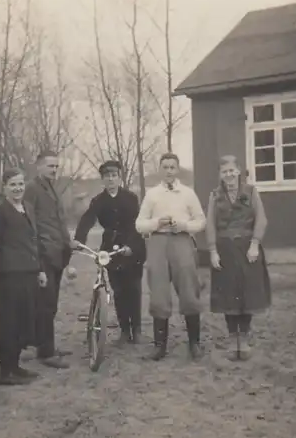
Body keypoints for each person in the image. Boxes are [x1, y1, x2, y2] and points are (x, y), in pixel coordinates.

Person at [135, 153, 206, 361]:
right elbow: (139, 224)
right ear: (160, 169)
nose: (168, 171)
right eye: (165, 167)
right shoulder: (152, 194)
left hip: (182, 241)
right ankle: (159, 346)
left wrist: (184, 225)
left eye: (172, 167)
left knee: (188, 290)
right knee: (158, 292)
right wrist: (157, 222)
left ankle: (194, 343)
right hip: (157, 242)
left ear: (177, 169)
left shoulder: (187, 193)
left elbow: (200, 221)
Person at [73, 160, 147, 346]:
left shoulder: (130, 198)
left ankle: (136, 329)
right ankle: (124, 331)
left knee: (134, 289)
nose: (111, 179)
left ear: (119, 178)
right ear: (103, 180)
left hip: (132, 247)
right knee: (118, 291)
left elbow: (136, 224)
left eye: (114, 176)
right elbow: (87, 219)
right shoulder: (98, 201)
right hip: (110, 249)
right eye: (107, 176)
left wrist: (131, 246)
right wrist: (79, 239)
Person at [0, 168, 47, 385]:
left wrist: (39, 269)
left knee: (23, 322)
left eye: (20, 184)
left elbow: (32, 242)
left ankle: (15, 366)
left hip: (28, 274)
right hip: (8, 276)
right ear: (4, 188)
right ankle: (5, 372)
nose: (17, 188)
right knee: (8, 323)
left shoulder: (27, 208)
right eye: (12, 184)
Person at [206, 155, 271, 360]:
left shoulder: (251, 191)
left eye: (232, 170)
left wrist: (255, 244)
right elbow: (210, 224)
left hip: (247, 248)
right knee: (228, 295)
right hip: (225, 250)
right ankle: (232, 338)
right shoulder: (215, 196)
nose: (229, 175)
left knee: (247, 294)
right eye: (225, 171)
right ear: (220, 174)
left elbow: (261, 219)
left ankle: (244, 339)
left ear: (239, 171)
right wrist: (213, 250)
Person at [24, 151, 74, 369]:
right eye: (50, 166)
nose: (54, 170)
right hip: (43, 253)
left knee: (51, 304)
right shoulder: (31, 189)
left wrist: (68, 242)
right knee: (45, 303)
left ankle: (47, 345)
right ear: (38, 167)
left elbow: (60, 220)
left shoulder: (52, 187)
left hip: (57, 252)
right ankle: (45, 352)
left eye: (56, 166)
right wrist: (37, 251)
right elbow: (30, 223)